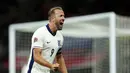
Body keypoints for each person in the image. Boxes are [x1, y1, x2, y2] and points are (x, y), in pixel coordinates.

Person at [26, 6, 68, 73]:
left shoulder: (60, 37)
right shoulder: (40, 33)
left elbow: (59, 57)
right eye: (61, 16)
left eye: (64, 16)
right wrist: (51, 65)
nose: (63, 18)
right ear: (53, 18)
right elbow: (36, 56)